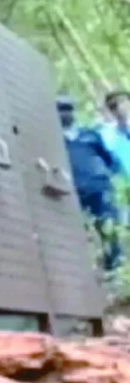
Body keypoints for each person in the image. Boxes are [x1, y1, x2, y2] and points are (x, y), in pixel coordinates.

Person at [59, 96, 122, 272]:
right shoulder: (55, 141)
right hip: (73, 191)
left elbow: (108, 159)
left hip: (99, 187)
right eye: (60, 109)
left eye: (67, 109)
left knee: (109, 228)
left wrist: (105, 176)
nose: (65, 113)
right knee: (81, 233)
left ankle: (115, 269)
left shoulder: (90, 135)